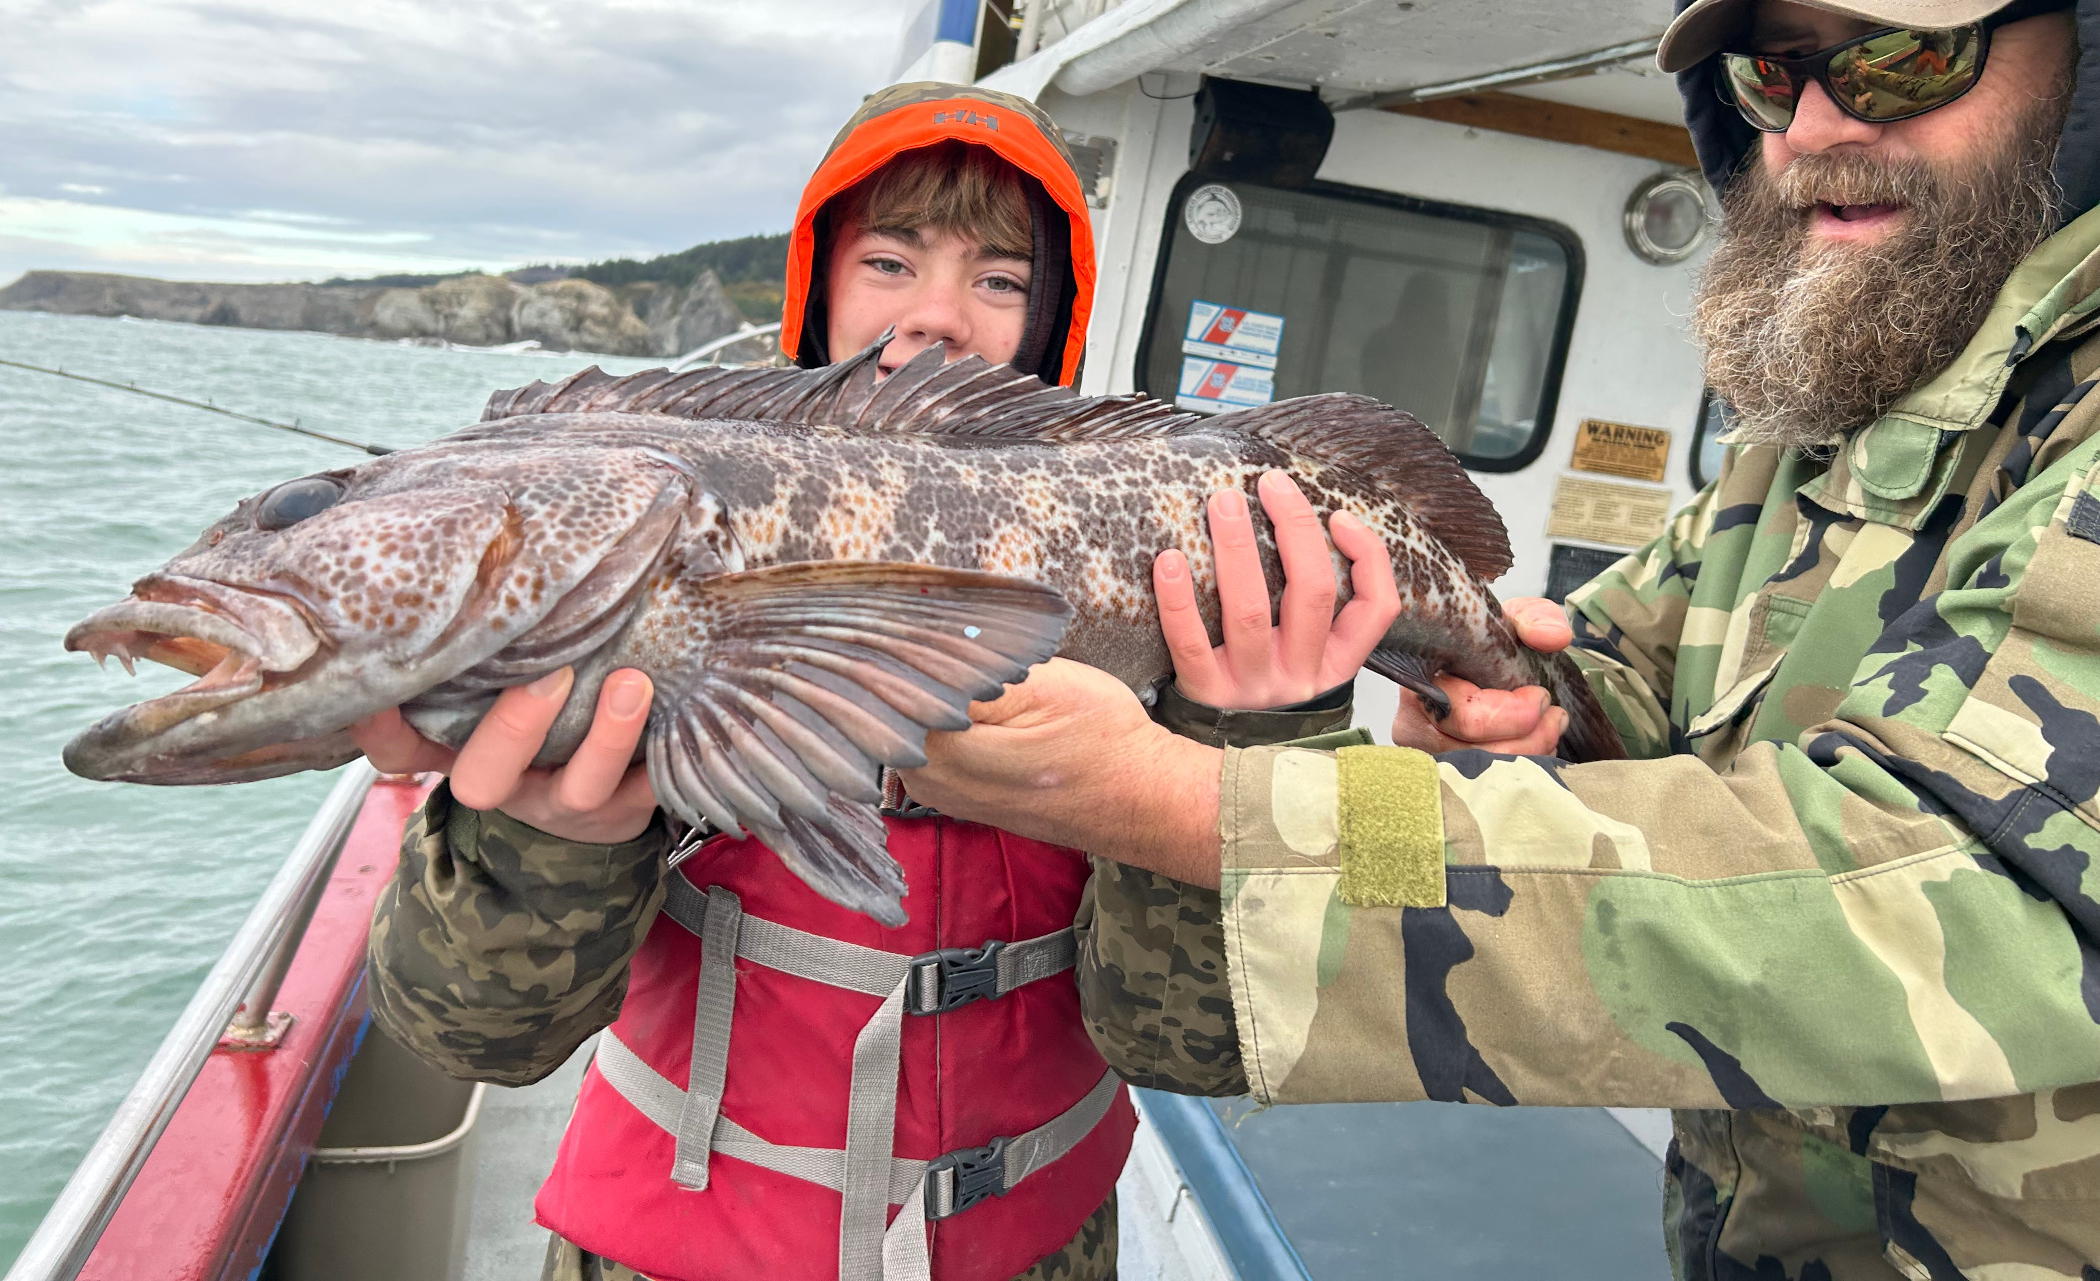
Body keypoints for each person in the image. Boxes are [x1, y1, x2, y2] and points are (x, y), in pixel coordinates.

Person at [903, 0, 2100, 1276]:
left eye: (1900, 55)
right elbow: (1608, 664)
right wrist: (1541, 714)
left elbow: (1967, 901)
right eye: (1771, 70)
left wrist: (1182, 802)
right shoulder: (1827, 411)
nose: (1814, 129)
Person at [354, 80, 1402, 1281]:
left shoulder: (1162, 578)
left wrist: (1242, 743)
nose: (940, 318)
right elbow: (475, 1031)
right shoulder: (644, 562)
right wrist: (550, 835)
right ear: (818, 287)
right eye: (891, 261)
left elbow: (1202, 1053)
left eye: (1001, 281)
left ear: (1051, 321)